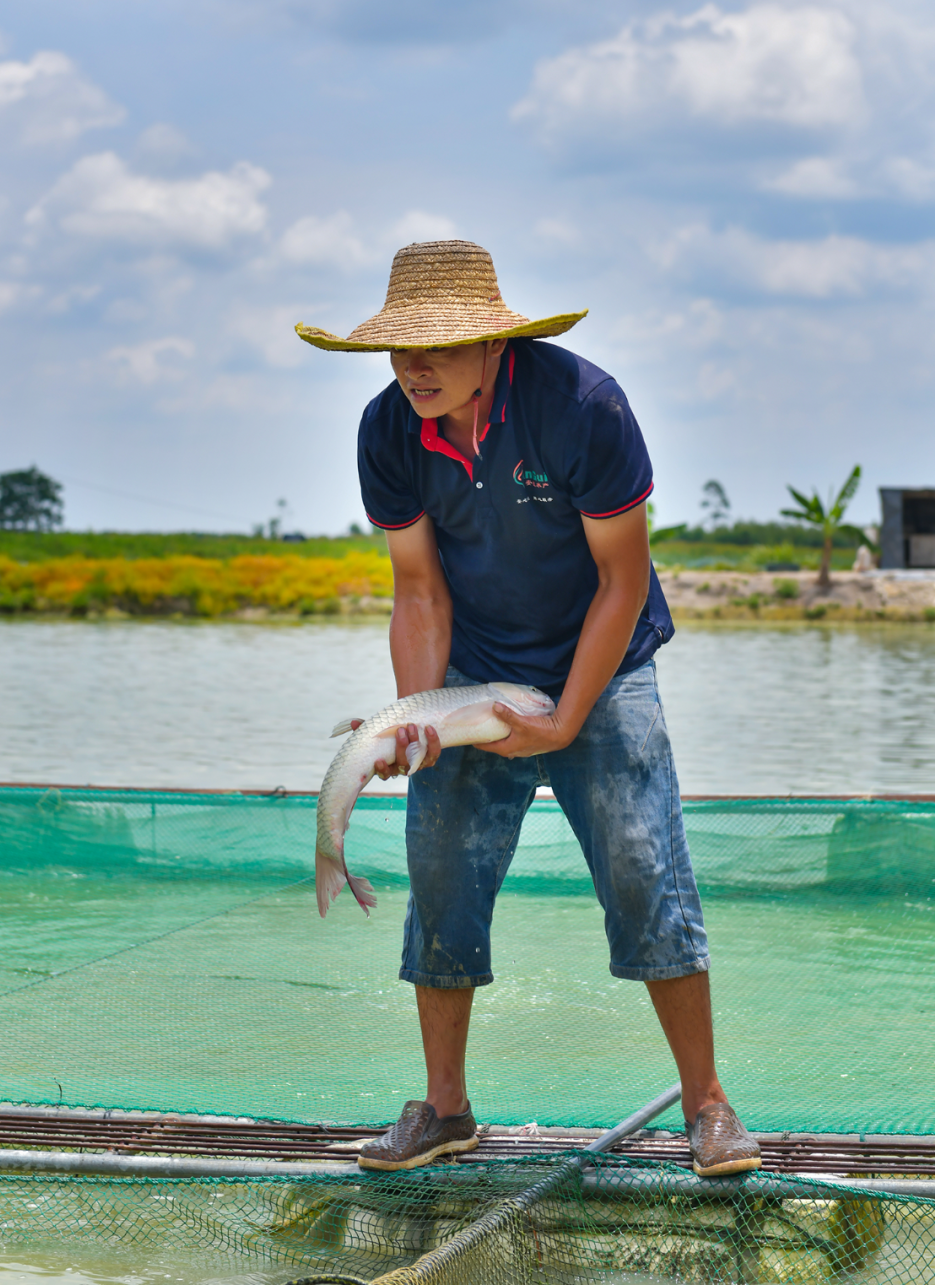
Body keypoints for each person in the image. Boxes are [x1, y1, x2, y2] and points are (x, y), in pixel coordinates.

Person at [296, 239, 760, 1178]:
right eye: (399, 349)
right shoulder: (387, 431)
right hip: (473, 673)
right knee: (438, 874)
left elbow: (622, 581)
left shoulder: (583, 406)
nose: (414, 368)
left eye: (440, 345)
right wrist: (416, 718)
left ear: (496, 345)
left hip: (606, 660)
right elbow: (419, 591)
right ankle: (445, 1108)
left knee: (643, 867)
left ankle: (708, 1107)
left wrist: (564, 718)